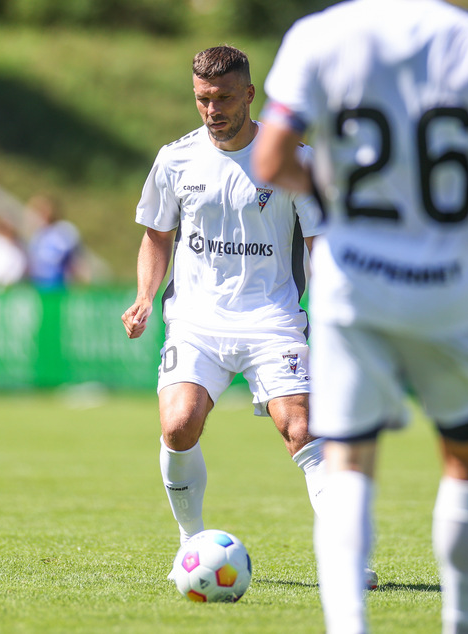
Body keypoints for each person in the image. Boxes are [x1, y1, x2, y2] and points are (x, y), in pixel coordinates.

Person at [254, 1, 468, 632]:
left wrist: (333, 190)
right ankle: (463, 624)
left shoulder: (317, 36)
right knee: (466, 462)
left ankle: (349, 625)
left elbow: (271, 158)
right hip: (455, 291)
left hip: (355, 287)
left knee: (350, 459)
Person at [120, 45, 341, 570]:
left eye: (222, 98)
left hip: (273, 319)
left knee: (302, 430)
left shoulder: (295, 161)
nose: (212, 109)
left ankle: (344, 557)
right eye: (202, 99)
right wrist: (145, 297)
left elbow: (321, 247)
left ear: (248, 94)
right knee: (177, 426)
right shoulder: (175, 158)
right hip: (196, 321)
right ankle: (191, 544)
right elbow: (157, 235)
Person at [25, 194, 91, 289]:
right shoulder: (36, 236)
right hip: (39, 288)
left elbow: (80, 260)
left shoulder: (64, 230)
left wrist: (84, 282)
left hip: (60, 288)